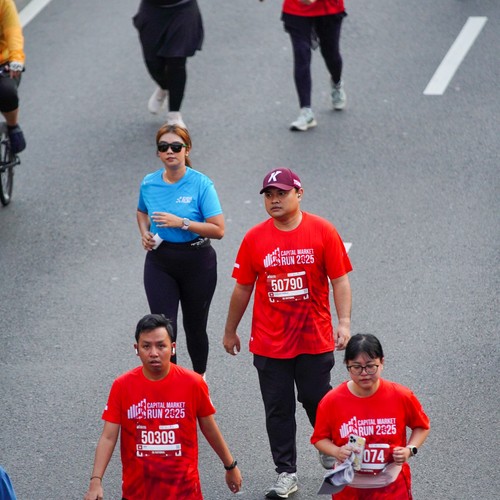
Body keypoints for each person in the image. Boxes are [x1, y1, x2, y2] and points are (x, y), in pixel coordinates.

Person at [223, 167, 352, 499]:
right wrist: (230, 330)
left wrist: (344, 323)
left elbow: (339, 280)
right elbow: (242, 288)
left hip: (313, 338)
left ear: (299, 194)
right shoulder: (254, 238)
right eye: (269, 195)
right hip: (269, 343)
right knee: (278, 408)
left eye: (281, 193)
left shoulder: (323, 231)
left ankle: (330, 446)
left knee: (316, 398)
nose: (274, 200)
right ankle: (286, 472)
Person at [84, 314, 242, 500]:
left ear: (173, 348)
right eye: (146, 346)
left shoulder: (193, 383)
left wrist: (230, 466)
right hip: (137, 493)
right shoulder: (122, 386)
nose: (154, 353)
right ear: (136, 349)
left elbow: (209, 427)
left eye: (161, 346)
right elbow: (108, 437)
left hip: (184, 493)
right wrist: (96, 481)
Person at [137, 124, 224, 378]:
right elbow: (141, 212)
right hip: (160, 262)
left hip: (198, 262)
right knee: (165, 330)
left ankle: (199, 381)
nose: (170, 151)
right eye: (163, 147)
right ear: (158, 153)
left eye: (176, 146)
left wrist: (182, 223)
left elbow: (218, 229)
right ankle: (171, 384)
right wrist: (144, 233)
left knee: (195, 327)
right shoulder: (149, 183)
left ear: (187, 150)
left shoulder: (201, 184)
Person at [311, 334, 431, 499]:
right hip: (349, 489)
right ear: (347, 365)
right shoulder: (332, 401)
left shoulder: (401, 395)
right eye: (356, 367)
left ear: (382, 362)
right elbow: (319, 439)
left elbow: (422, 426)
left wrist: (409, 450)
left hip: (392, 488)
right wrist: (337, 451)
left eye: (370, 366)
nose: (364, 373)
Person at [260, 0, 347, 131]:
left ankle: (337, 82)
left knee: (331, 53)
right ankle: (306, 112)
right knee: (301, 54)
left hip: (327, 8)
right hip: (296, 9)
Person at [133, 0, 205, 128]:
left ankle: (174, 115)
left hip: (183, 8)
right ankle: (164, 86)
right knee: (153, 62)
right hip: (153, 9)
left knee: (177, 60)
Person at [0, 0, 26, 153]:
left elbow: (13, 31)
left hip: (3, 64)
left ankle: (13, 126)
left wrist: (16, 59)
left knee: (6, 92)